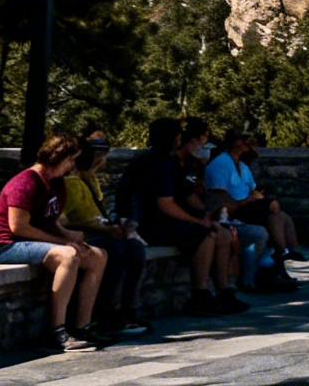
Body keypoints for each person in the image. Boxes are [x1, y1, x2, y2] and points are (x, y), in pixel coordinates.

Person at [0, 132, 108, 352]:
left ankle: (82, 326)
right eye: (70, 159)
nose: (72, 165)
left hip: (35, 241)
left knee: (97, 256)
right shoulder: (24, 183)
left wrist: (69, 236)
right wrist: (62, 244)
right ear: (57, 157)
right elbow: (18, 227)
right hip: (6, 245)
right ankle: (57, 332)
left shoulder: (57, 184)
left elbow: (50, 221)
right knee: (67, 256)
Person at [124, 117, 246, 315]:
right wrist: (198, 221)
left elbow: (188, 193)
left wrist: (206, 214)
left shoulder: (180, 164)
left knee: (221, 233)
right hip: (151, 222)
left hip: (171, 219)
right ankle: (199, 294)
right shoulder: (157, 163)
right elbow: (165, 204)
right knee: (205, 235)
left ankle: (224, 291)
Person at [63, 129, 150, 336]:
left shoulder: (89, 179)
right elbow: (67, 220)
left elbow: (98, 211)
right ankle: (106, 311)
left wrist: (116, 223)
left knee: (136, 250)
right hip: (81, 233)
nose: (101, 162)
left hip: (100, 231)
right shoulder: (68, 182)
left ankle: (128, 309)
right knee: (116, 251)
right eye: (98, 156)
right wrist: (103, 228)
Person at [203, 130, 292, 292]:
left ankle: (279, 262)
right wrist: (243, 202)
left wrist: (255, 196)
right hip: (233, 211)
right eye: (243, 142)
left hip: (248, 208)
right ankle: (262, 270)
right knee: (267, 221)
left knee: (280, 216)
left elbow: (252, 187)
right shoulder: (221, 164)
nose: (247, 146)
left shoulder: (243, 166)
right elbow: (219, 196)